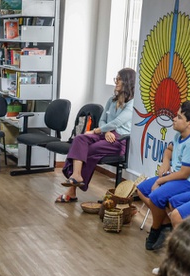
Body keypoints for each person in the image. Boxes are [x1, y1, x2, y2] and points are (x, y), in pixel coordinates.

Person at [136, 101, 190, 250]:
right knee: (141, 189)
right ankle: (165, 223)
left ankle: (155, 228)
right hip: (179, 176)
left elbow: (185, 173)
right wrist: (165, 162)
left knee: (156, 195)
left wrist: (161, 180)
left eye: (178, 117)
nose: (174, 119)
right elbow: (169, 149)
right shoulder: (180, 134)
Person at [57, 67, 136, 203]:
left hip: (119, 140)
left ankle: (72, 190)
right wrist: (105, 131)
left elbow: (117, 122)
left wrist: (96, 131)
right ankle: (76, 175)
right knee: (80, 139)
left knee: (88, 150)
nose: (116, 82)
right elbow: (102, 120)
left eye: (118, 79)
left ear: (127, 82)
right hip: (106, 133)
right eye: (115, 79)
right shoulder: (111, 100)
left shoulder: (132, 104)